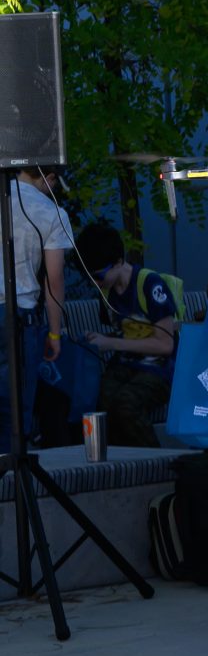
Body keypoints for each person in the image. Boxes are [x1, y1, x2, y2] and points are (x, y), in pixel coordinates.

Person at [74, 223, 180, 448]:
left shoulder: (149, 284)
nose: (95, 283)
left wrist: (110, 342)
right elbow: (124, 332)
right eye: (89, 278)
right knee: (98, 402)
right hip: (126, 364)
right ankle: (112, 465)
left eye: (98, 276)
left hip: (159, 368)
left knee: (125, 404)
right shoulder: (106, 292)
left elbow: (165, 345)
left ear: (119, 262)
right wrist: (98, 338)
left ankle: (155, 464)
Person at [0, 166, 72, 452]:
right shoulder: (50, 212)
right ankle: (11, 486)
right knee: (14, 414)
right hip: (18, 316)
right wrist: (54, 335)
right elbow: (54, 280)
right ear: (49, 177)